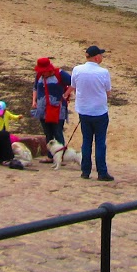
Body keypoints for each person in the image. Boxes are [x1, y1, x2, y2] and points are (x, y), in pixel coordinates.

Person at [71, 45, 113, 181]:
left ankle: (85, 171)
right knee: (100, 142)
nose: (102, 57)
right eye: (100, 55)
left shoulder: (77, 70)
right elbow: (108, 91)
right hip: (99, 111)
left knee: (87, 141)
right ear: (96, 57)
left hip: (84, 111)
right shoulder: (103, 72)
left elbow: (74, 86)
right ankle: (102, 172)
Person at [31, 57, 73, 154]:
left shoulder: (60, 74)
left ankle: (61, 155)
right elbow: (35, 88)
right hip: (42, 109)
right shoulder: (39, 76)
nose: (42, 73)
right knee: (48, 133)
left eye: (43, 71)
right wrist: (34, 101)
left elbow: (73, 83)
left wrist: (66, 94)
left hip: (58, 109)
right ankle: (51, 156)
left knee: (58, 132)